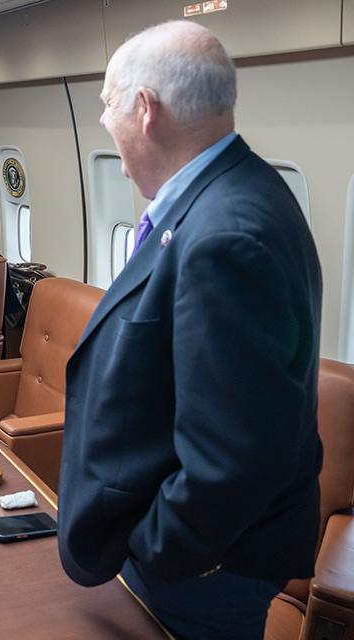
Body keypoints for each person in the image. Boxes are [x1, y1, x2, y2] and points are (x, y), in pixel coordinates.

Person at [57, 21, 322, 640]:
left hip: (200, 574)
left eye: (106, 104)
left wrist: (155, 550)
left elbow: (232, 459)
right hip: (181, 554)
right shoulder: (215, 199)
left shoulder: (226, 234)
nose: (102, 122)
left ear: (145, 109)